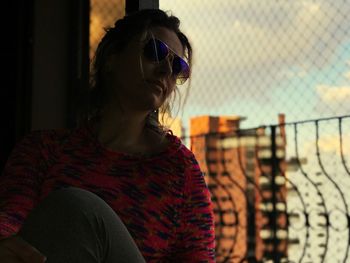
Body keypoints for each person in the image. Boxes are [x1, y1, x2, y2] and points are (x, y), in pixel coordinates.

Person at [0, 9, 215, 263]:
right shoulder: (43, 149)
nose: (166, 69)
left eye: (177, 66)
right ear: (112, 57)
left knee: (76, 209)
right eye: (155, 52)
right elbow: (11, 216)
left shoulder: (181, 171)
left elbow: (197, 256)